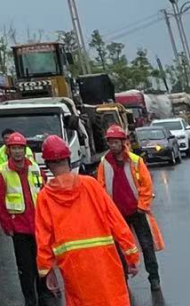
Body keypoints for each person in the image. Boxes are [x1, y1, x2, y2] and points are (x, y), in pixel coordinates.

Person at [34, 135, 140, 306]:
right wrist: (131, 255)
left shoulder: (45, 197)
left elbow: (43, 238)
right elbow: (116, 221)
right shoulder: (90, 185)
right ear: (68, 159)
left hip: (73, 266)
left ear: (47, 165)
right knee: (113, 299)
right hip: (105, 260)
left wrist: (47, 271)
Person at [94, 124, 165, 293]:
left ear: (123, 142)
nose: (113, 145)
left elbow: (146, 186)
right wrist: (106, 212)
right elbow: (100, 188)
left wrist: (141, 207)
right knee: (119, 249)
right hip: (116, 214)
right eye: (110, 142)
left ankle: (153, 278)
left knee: (147, 246)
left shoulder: (135, 161)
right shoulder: (104, 164)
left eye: (116, 142)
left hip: (137, 211)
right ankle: (123, 278)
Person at [0, 132, 54, 305]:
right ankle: (30, 299)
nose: (18, 152)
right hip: (19, 228)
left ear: (24, 149)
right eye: (14, 148)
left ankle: (44, 294)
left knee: (42, 263)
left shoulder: (35, 167)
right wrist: (7, 226)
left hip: (38, 225)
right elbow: (0, 202)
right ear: (9, 151)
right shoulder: (2, 172)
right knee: (25, 268)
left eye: (20, 148)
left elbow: (44, 193)